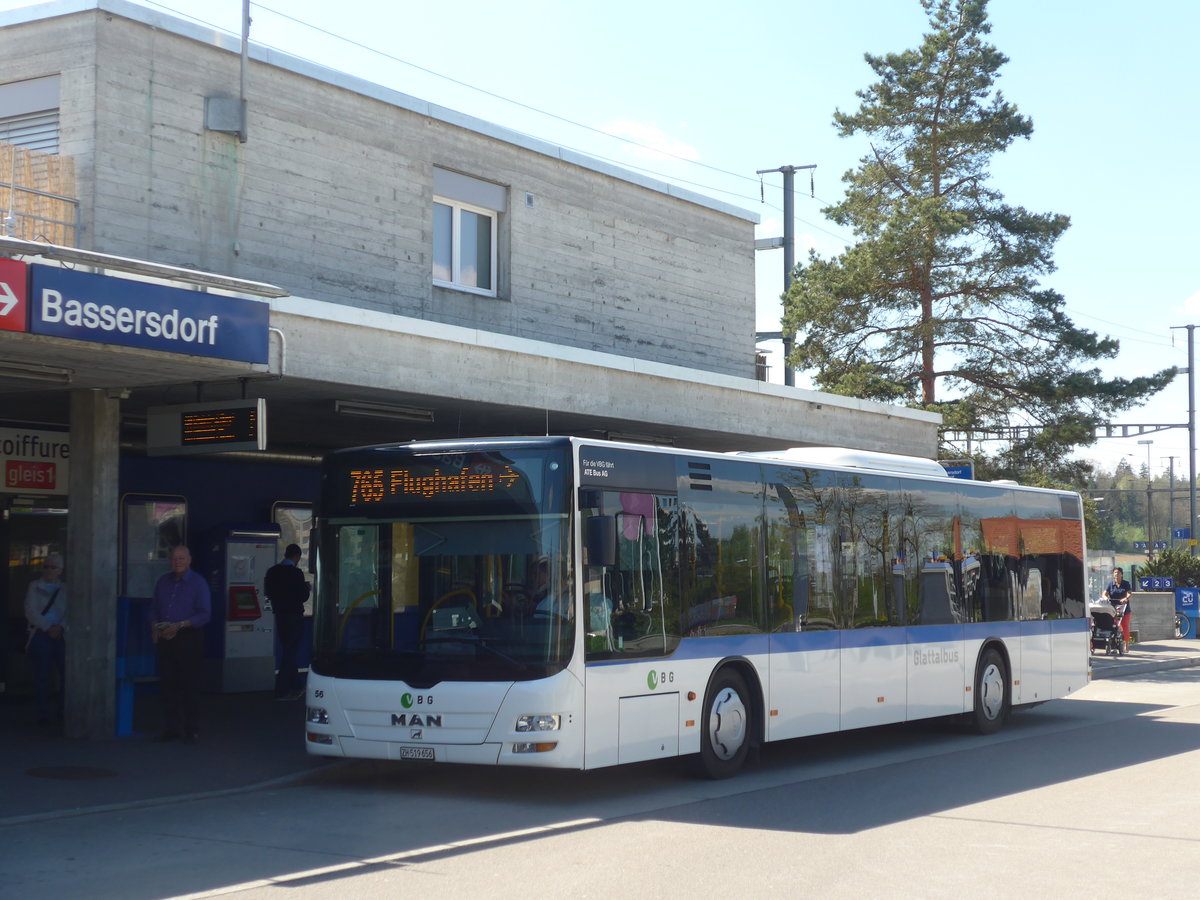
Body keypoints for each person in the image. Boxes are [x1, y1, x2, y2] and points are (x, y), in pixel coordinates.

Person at [151, 545, 211, 743]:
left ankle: (191, 729)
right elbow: (154, 608)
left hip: (189, 637)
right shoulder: (163, 581)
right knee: (168, 685)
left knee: (190, 686)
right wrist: (154, 627)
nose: (177, 561)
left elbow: (205, 614)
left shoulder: (198, 583)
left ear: (189, 560)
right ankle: (171, 728)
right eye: (174, 558)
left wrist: (181, 625)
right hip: (165, 639)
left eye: (181, 558)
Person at [24, 552, 67, 725]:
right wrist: (48, 627)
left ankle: (63, 711)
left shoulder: (66, 589)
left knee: (66, 674)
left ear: (60, 571)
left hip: (61, 633)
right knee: (42, 675)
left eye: (52, 567)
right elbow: (30, 610)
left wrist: (61, 626)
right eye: (46, 566)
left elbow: (71, 610)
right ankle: (42, 713)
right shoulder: (34, 586)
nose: (48, 570)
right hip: (41, 632)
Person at [264, 543, 310, 700]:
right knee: (291, 651)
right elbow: (303, 596)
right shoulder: (296, 573)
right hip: (294, 616)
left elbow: (268, 591)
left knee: (288, 650)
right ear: (297, 556)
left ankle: (296, 685)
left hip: (280, 616)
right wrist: (306, 588)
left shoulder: (272, 572)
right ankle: (282, 689)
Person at [1102, 567, 1133, 646]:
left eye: (1118, 573)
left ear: (1122, 575)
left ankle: (1126, 644)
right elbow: (1105, 593)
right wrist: (1105, 597)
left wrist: (1126, 598)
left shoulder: (1126, 583)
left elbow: (1129, 593)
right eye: (1115, 572)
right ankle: (1114, 644)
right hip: (1113, 609)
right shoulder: (1110, 584)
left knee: (1124, 626)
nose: (1116, 574)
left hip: (1123, 609)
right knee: (1114, 626)